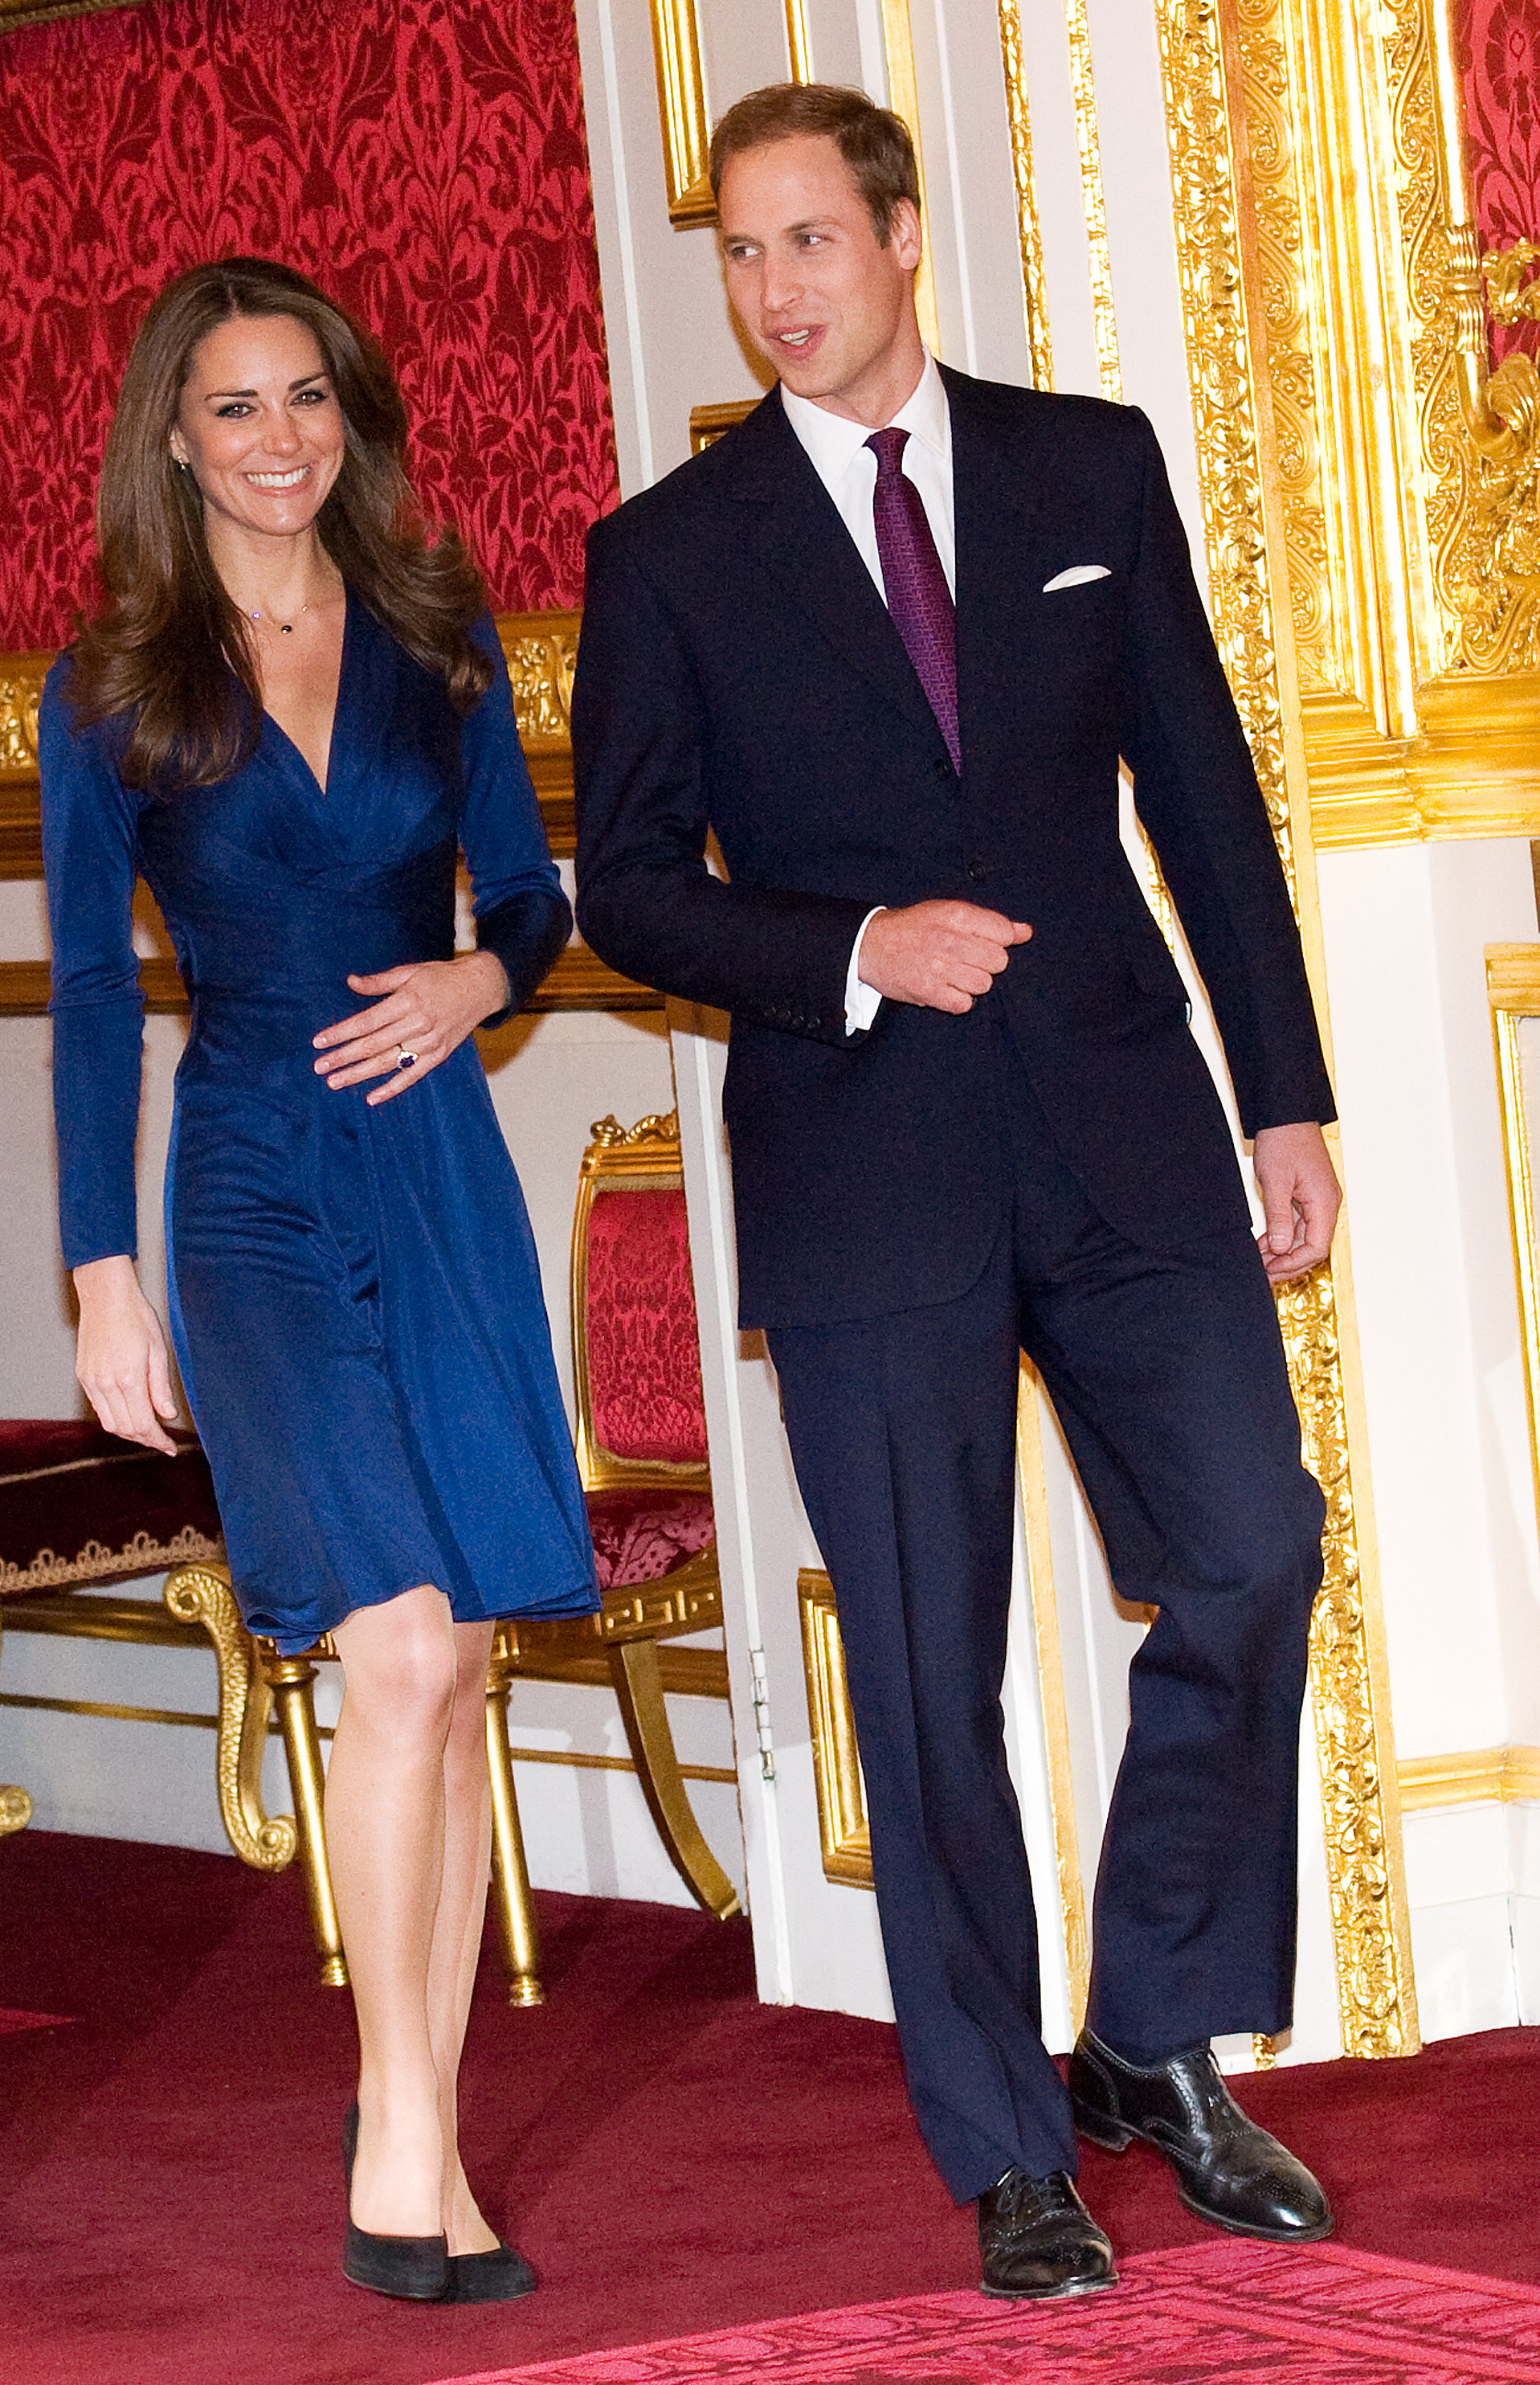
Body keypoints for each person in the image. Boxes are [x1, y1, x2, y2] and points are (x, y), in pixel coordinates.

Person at [572, 85, 1342, 2301]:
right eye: (739, 252)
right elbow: (626, 888)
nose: (771, 291)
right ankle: (1008, 2141)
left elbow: (1199, 797)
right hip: (865, 1170)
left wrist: (1279, 1099)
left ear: (900, 239)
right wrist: (839, 949)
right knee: (921, 1677)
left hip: (1121, 1133)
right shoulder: (672, 553)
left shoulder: (1081, 467)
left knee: (1247, 1552)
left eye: (808, 243)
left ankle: (1152, 2038)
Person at [39, 257, 598, 2305]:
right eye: (236, 406)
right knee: (386, 1645)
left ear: (346, 418)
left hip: (434, 1166)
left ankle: (425, 2133)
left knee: (450, 1665)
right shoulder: (113, 682)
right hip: (254, 1183)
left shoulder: (438, 644)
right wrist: (102, 1271)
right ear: (171, 438)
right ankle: (402, 2126)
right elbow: (95, 988)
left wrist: (478, 973)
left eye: (308, 400)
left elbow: (533, 897)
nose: (278, 439)